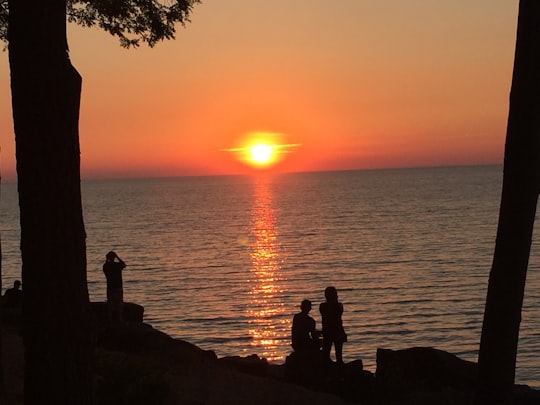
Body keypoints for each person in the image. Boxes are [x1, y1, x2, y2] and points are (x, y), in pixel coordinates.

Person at [319, 286, 347, 367]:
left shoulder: (322, 306)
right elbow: (339, 312)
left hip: (327, 332)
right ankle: (340, 374)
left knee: (326, 353)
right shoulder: (339, 306)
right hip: (338, 331)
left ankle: (325, 373)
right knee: (339, 355)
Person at [103, 251, 126, 322]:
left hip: (110, 287)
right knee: (119, 304)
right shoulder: (117, 265)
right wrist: (118, 257)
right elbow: (124, 265)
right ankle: (119, 319)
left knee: (110, 304)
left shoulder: (105, 266)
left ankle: (110, 319)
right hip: (118, 287)